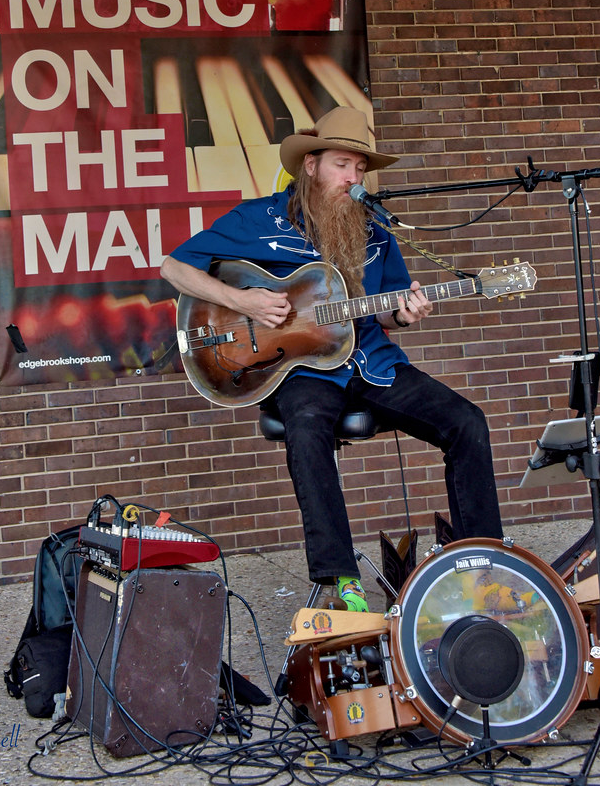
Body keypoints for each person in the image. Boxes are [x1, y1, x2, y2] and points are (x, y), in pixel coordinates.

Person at [160, 109, 503, 611]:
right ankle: (339, 578)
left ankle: (486, 568)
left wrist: (405, 316)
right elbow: (175, 267)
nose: (353, 177)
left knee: (466, 421)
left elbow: (387, 313)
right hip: (301, 367)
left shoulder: (377, 228)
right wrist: (246, 302)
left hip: (372, 361)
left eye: (360, 169)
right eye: (343, 165)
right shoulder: (257, 219)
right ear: (311, 165)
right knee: (306, 424)